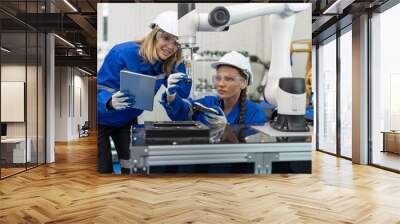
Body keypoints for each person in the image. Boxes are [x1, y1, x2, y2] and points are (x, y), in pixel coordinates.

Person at [97, 11, 191, 173]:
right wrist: (109, 102)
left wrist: (185, 63)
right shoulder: (122, 53)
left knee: (133, 168)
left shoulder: (169, 63)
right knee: (103, 169)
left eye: (176, 42)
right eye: (166, 38)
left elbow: (183, 93)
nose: (170, 47)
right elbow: (98, 89)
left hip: (127, 121)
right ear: (154, 34)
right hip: (101, 121)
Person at [161, 51, 267, 126]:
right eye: (218, 78)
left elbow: (251, 148)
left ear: (243, 83)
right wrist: (171, 95)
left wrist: (226, 128)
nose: (220, 84)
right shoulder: (209, 103)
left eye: (228, 79)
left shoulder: (255, 114)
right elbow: (183, 113)